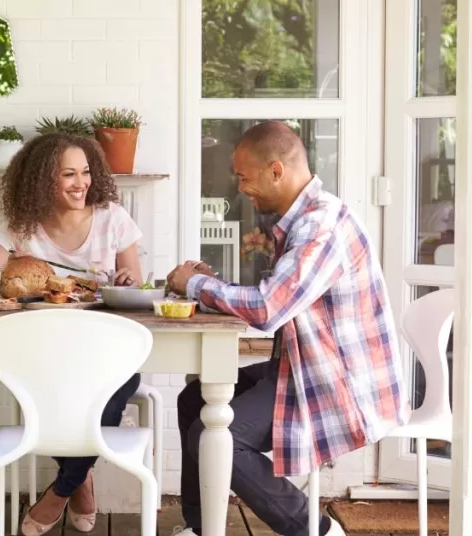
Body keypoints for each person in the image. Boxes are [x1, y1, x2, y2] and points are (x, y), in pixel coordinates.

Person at [166, 121, 407, 536]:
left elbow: (268, 307)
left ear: (276, 170)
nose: (240, 188)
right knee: (194, 400)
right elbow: (279, 297)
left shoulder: (321, 226)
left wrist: (194, 284)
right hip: (301, 367)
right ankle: (201, 528)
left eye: (244, 177)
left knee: (217, 433)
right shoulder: (302, 222)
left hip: (336, 381)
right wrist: (212, 287)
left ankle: (315, 529)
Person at [0, 132, 144, 534]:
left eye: (85, 172)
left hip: (105, 350)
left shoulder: (112, 218)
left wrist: (125, 279)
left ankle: (60, 491)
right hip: (44, 354)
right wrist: (11, 267)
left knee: (112, 396)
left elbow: (135, 282)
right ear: (41, 179)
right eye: (68, 174)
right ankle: (81, 479)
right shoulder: (21, 226)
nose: (81, 182)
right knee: (44, 398)